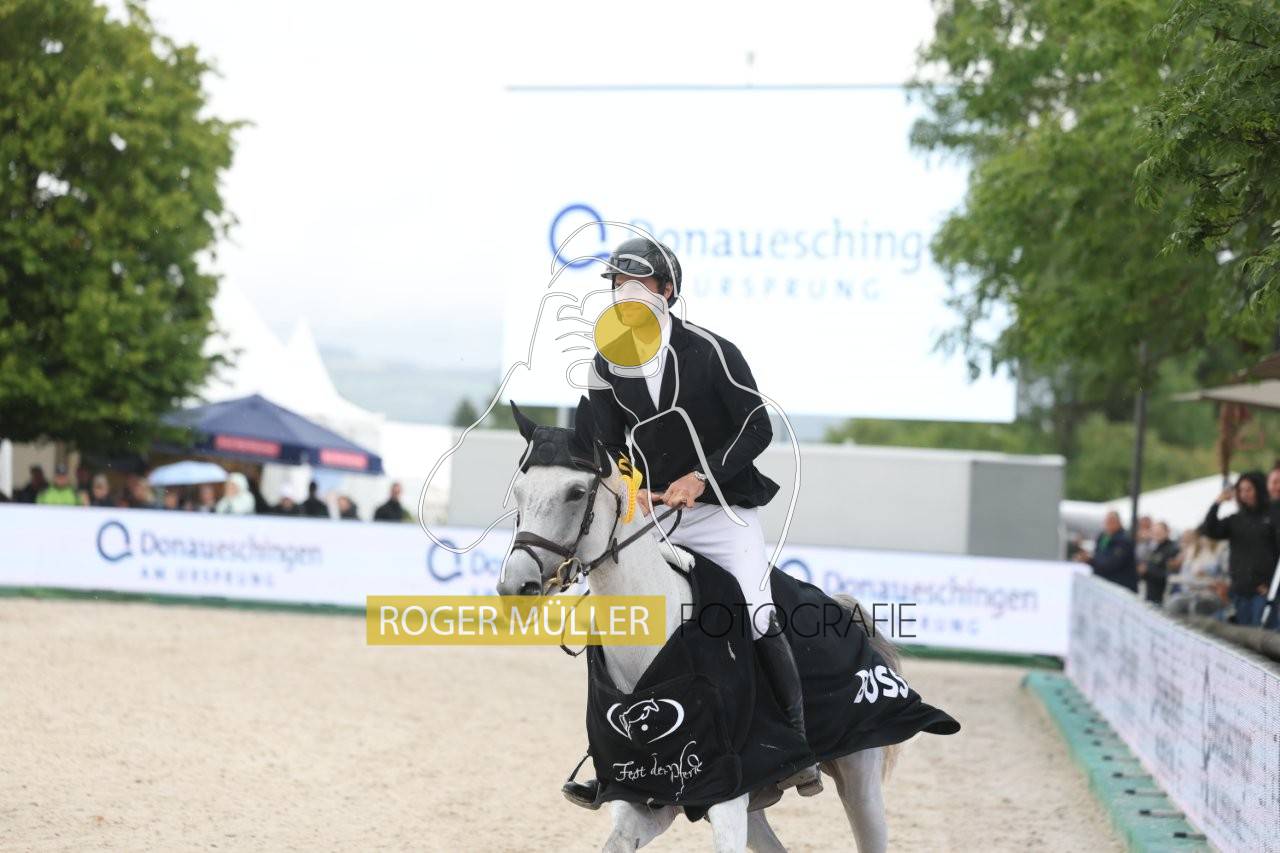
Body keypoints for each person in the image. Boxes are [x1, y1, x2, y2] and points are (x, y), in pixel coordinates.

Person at [581, 236, 822, 803]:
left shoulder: (712, 351)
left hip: (723, 513)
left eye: (637, 284)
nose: (624, 294)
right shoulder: (603, 363)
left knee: (757, 614)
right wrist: (632, 486)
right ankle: (612, 758)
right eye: (617, 286)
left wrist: (700, 477)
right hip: (656, 516)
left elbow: (757, 427)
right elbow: (605, 443)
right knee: (613, 621)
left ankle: (797, 748)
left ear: (667, 291)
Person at [1201, 471, 1277, 627]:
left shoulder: (1273, 516)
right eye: (1241, 490)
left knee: (1260, 634)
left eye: (1249, 489)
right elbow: (1209, 529)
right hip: (1239, 591)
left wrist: (1271, 584)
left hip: (1263, 592)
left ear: (1258, 490)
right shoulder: (1235, 520)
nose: (1244, 494)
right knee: (1240, 634)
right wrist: (1217, 503)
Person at [1074, 510, 1137, 591]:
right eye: (1107, 522)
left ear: (1118, 522)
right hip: (1104, 582)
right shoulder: (1103, 537)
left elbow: (1112, 564)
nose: (1108, 525)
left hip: (1120, 585)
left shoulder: (1124, 540)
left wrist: (1090, 560)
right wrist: (1088, 559)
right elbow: (1098, 555)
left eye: (1111, 522)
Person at [1140, 521, 1179, 605]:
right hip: (1150, 592)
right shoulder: (1155, 548)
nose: (1156, 535)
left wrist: (1148, 570)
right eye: (1154, 533)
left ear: (1167, 532)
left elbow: (1168, 575)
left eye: (1159, 532)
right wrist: (1143, 571)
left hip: (1162, 596)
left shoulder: (1173, 549)